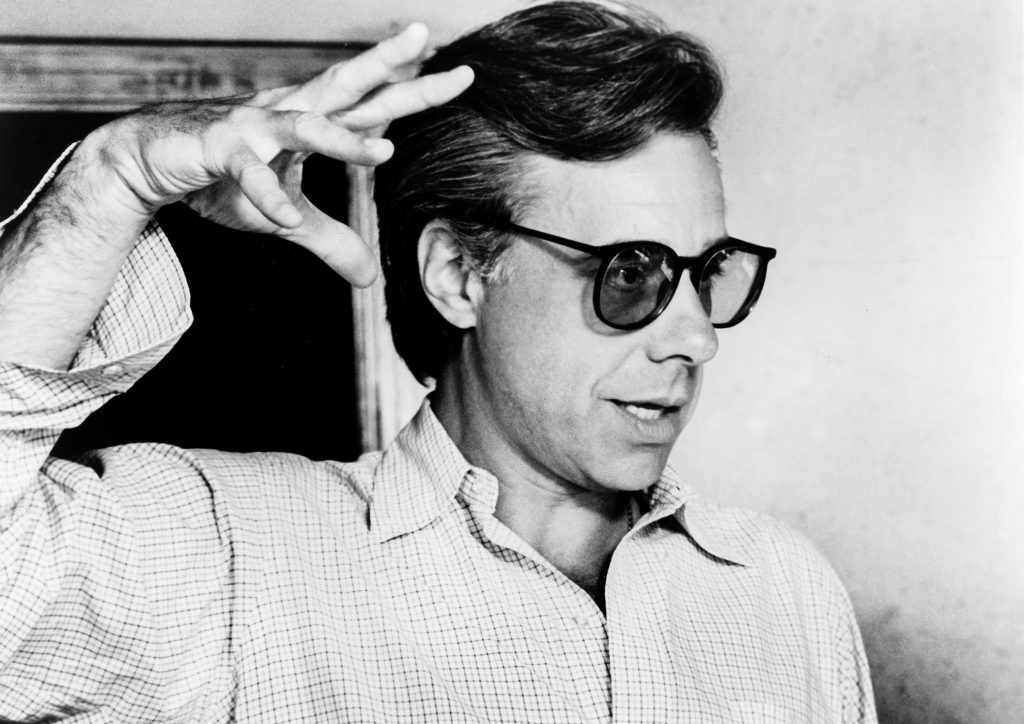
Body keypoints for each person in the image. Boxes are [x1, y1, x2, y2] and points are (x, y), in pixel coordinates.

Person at [0, 2, 876, 721]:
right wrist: (109, 180)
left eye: (709, 272)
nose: (696, 339)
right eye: (631, 272)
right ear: (459, 275)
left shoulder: (785, 587)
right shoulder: (231, 560)